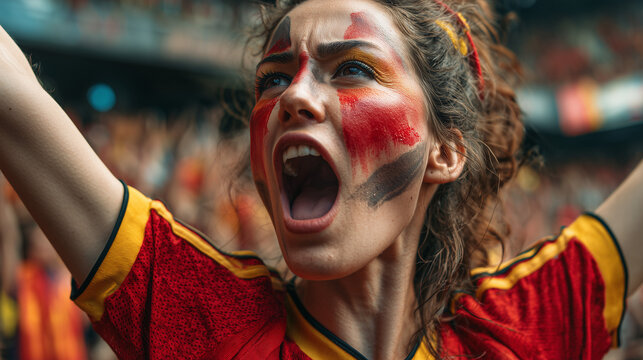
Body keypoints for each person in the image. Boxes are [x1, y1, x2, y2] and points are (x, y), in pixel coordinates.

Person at [0, 0, 641, 358]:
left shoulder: (516, 337)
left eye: (354, 69)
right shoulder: (207, 326)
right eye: (273, 78)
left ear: (446, 151)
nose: (292, 97)